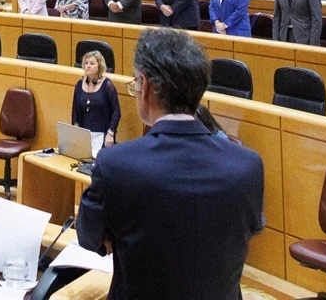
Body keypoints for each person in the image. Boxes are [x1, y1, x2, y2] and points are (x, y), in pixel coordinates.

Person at [77, 28, 263, 300]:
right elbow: (248, 229)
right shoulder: (248, 165)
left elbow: (88, 236)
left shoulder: (115, 164)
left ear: (147, 86)